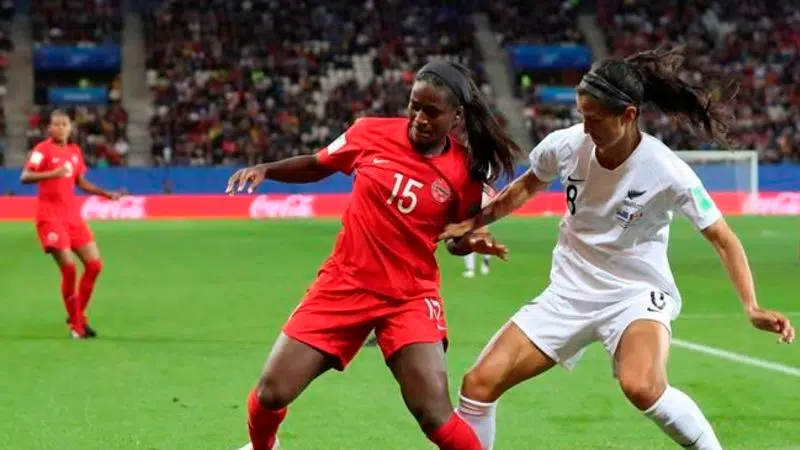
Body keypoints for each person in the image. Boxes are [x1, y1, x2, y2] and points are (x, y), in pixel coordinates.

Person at [440, 48, 796, 450]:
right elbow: (525, 187)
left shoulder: (666, 170)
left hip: (635, 294)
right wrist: (474, 221)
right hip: (569, 292)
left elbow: (723, 237)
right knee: (478, 385)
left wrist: (752, 306)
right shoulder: (566, 145)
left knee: (641, 385)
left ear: (628, 115)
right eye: (582, 116)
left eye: (594, 119)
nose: (585, 128)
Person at [226, 60, 521, 450]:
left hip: (409, 297)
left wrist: (470, 241)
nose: (418, 118)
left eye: (432, 111)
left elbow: (453, 240)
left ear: (457, 117)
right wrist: (268, 169)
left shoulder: (463, 175)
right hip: (343, 285)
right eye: (414, 105)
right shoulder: (369, 133)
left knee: (433, 413)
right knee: (271, 392)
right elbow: (318, 164)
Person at [20, 109, 121, 339]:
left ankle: (76, 314)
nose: (61, 128)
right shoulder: (41, 150)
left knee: (94, 265)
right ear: (49, 128)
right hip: (50, 218)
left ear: (70, 128)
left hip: (72, 218)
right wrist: (53, 173)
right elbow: (25, 176)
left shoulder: (75, 152)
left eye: (64, 124)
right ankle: (77, 326)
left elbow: (80, 181)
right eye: (56, 124)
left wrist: (105, 193)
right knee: (69, 269)